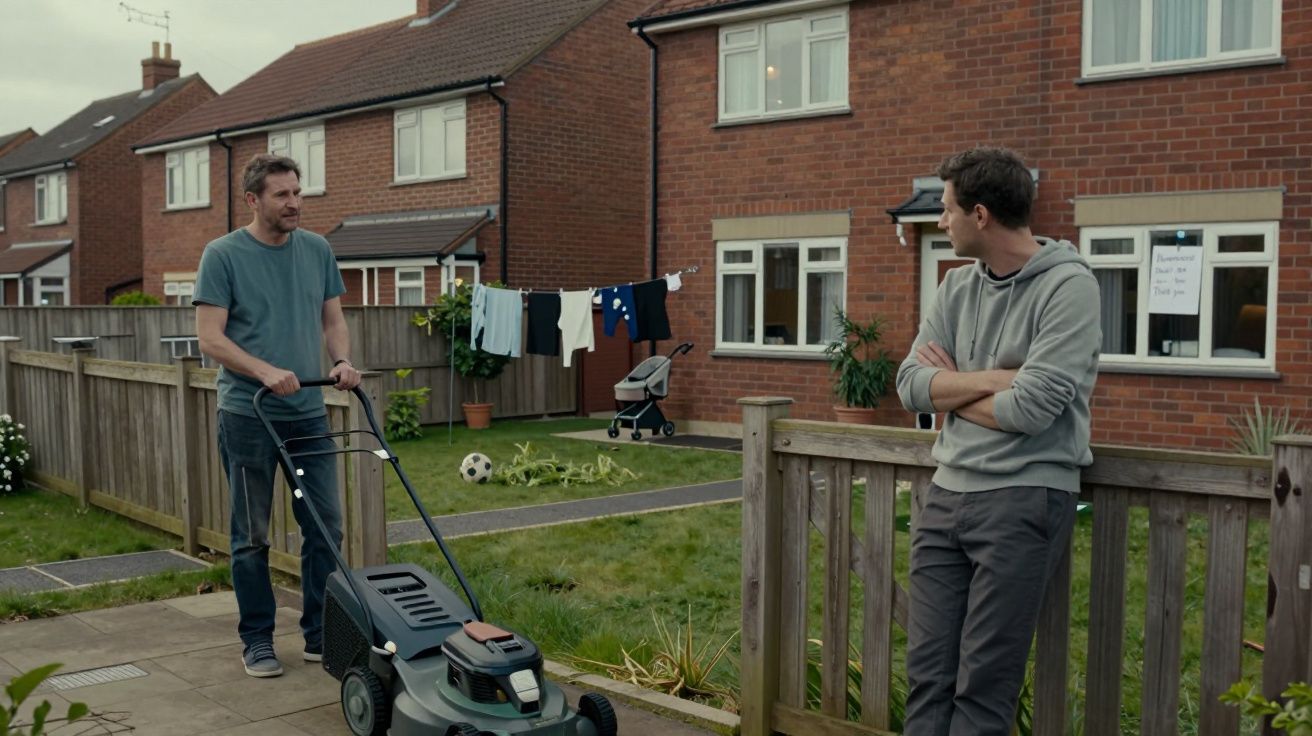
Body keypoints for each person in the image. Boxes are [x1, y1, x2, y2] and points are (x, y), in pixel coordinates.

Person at [894, 146, 1101, 734]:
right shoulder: (956, 288)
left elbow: (1032, 408)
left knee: (983, 686)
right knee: (927, 676)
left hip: (1024, 499)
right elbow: (909, 386)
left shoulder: (1069, 288)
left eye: (947, 209)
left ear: (980, 215)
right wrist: (995, 380)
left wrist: (951, 389)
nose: (941, 221)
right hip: (946, 495)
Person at [194, 154, 361, 678]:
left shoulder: (316, 249)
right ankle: (257, 640)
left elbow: (332, 320)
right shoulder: (222, 255)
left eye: (297, 192)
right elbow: (210, 338)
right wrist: (264, 371)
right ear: (253, 200)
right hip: (248, 416)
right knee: (252, 535)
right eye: (281, 194)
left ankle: (319, 634)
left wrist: (342, 360)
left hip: (307, 414)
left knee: (325, 526)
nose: (294, 203)